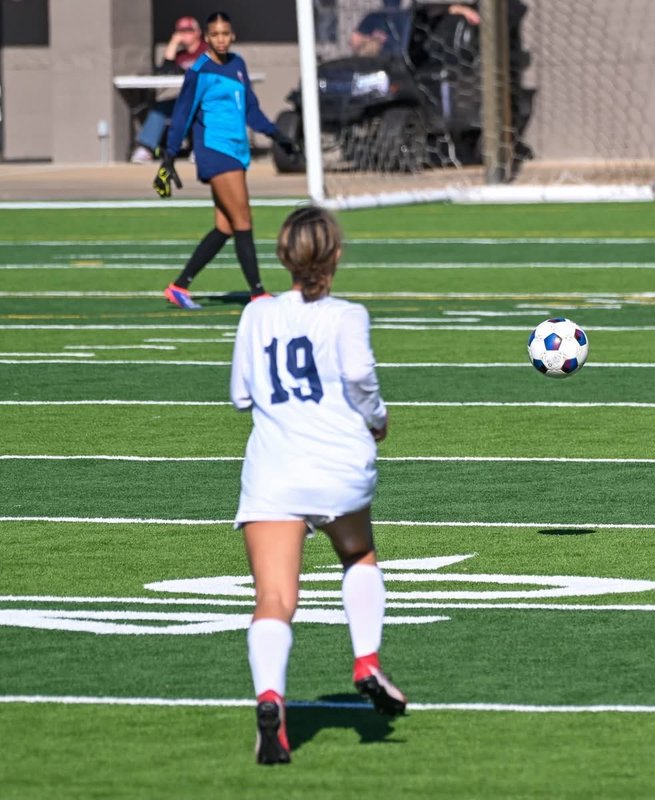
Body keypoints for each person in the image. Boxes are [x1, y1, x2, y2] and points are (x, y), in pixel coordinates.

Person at [231, 206, 406, 765]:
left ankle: (270, 698)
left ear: (283, 257)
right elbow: (359, 378)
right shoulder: (347, 316)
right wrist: (378, 418)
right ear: (335, 256)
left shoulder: (256, 315)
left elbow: (240, 396)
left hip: (274, 470)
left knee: (274, 599)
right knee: (358, 554)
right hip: (337, 465)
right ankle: (366, 660)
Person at [154, 11, 298, 310]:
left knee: (226, 226)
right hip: (214, 150)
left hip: (236, 150)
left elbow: (251, 111)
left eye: (225, 33)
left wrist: (277, 135)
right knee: (243, 219)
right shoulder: (199, 70)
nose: (221, 39)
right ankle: (258, 293)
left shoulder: (238, 65)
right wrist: (168, 156)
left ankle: (179, 287)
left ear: (232, 35)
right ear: (206, 37)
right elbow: (182, 113)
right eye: (215, 34)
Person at [130, 16, 209, 164]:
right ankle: (146, 148)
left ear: (198, 32)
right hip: (185, 99)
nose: (185, 34)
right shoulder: (180, 56)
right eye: (181, 31)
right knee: (160, 108)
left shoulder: (206, 50)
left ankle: (200, 148)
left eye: (189, 31)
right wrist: (173, 44)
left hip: (205, 99)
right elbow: (165, 72)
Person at [350, 0, 480, 57]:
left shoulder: (378, 19)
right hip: (429, 43)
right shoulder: (392, 51)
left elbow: (355, 38)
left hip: (425, 28)